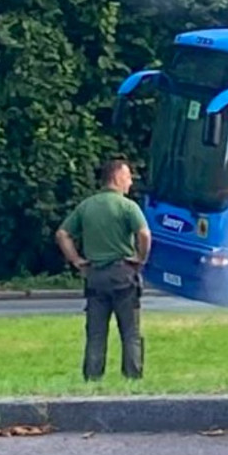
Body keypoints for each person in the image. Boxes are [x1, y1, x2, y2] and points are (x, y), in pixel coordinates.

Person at [54, 158, 152, 381]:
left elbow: (62, 234)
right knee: (130, 332)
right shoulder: (127, 207)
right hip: (123, 273)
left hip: (95, 276)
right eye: (127, 178)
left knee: (96, 334)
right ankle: (132, 377)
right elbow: (144, 234)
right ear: (117, 177)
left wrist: (77, 260)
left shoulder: (87, 206)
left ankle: (92, 378)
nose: (130, 183)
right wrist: (140, 258)